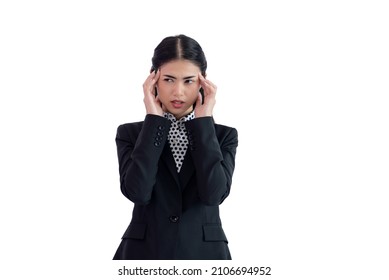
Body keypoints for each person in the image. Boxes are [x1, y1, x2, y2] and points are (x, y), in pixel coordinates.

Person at [113, 34, 238, 260]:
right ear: (153, 80)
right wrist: (154, 121)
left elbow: (214, 195)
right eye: (169, 79)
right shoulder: (130, 134)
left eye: (188, 80)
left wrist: (203, 123)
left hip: (205, 256)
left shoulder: (223, 136)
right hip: (144, 256)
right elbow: (137, 193)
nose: (178, 92)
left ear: (203, 82)